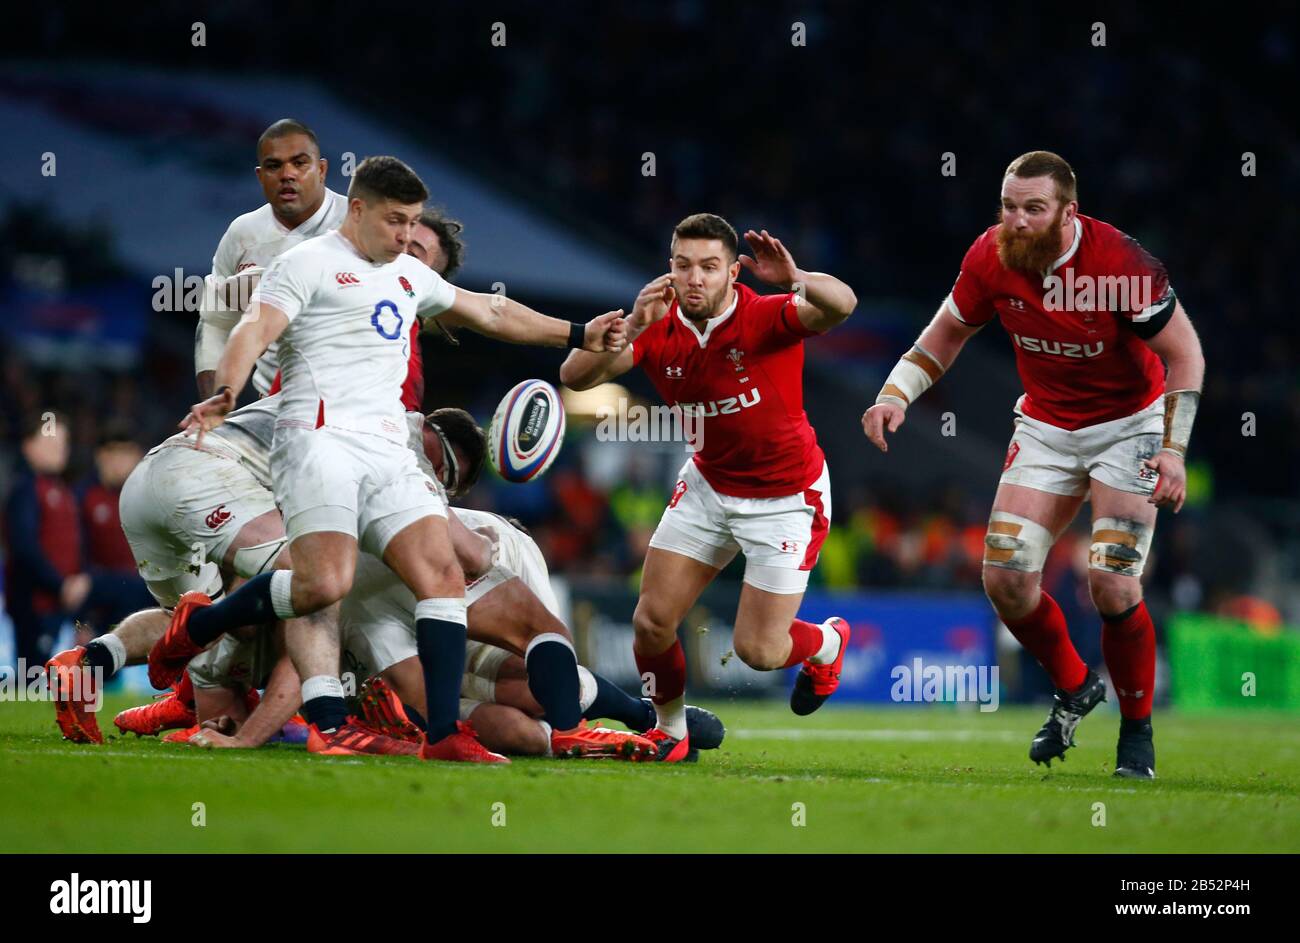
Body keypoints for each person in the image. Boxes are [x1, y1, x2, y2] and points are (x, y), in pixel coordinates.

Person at [152, 155, 629, 763]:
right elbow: (255, 329)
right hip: (317, 439)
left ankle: (444, 738)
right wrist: (225, 389)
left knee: (443, 576)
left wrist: (579, 332)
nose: (407, 235)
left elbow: (491, 311)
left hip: (386, 448)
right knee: (326, 584)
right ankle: (198, 627)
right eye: (396, 220)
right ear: (357, 209)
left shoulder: (407, 273)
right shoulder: (307, 262)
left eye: (412, 222)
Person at [861, 151, 1205, 779]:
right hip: (1046, 427)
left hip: (1129, 426)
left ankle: (1137, 735)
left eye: (1034, 209)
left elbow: (1185, 354)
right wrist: (893, 395)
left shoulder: (1120, 265)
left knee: (1112, 583)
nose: (1016, 221)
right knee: (1006, 580)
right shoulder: (991, 254)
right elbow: (945, 333)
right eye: (1009, 206)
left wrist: (1174, 450)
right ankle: (1075, 687)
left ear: (1068, 213)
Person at [560, 213, 858, 761]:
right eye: (683, 265)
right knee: (651, 621)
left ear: (732, 273)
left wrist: (797, 277)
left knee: (759, 650)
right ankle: (671, 732)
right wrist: (634, 323)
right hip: (709, 486)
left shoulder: (765, 316)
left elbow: (842, 305)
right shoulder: (656, 326)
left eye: (709, 266)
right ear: (669, 268)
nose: (694, 277)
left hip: (786, 496)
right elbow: (575, 375)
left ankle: (830, 642)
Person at [3, 412, 90, 666]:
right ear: (28, 446)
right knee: (34, 678)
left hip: (62, 603)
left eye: (63, 445)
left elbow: (76, 546)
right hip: (34, 603)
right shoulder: (25, 489)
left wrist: (79, 582)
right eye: (50, 444)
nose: (59, 451)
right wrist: (61, 585)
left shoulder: (64, 491)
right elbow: (24, 547)